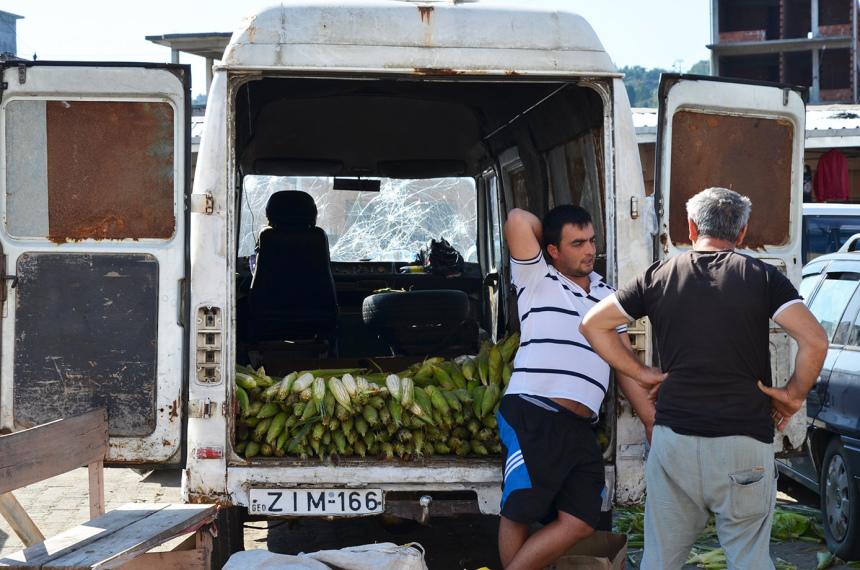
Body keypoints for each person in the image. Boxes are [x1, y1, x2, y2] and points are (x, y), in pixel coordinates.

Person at [579, 188, 828, 569]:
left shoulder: (658, 276)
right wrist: (793, 395)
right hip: (744, 441)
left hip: (675, 439)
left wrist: (644, 374)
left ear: (691, 227)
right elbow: (814, 340)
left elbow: (593, 325)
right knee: (749, 559)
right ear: (742, 234)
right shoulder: (763, 277)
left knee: (660, 560)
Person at [498, 205, 656, 570]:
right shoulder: (536, 276)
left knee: (582, 519)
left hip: (580, 426)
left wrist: (649, 418)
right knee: (520, 510)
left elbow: (625, 362)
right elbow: (518, 219)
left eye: (592, 241)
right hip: (533, 411)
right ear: (552, 250)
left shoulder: (608, 294)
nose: (590, 251)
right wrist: (550, 236)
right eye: (578, 243)